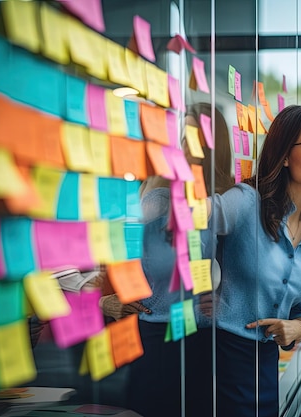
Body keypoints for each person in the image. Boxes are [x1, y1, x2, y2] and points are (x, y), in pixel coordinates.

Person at [198, 105, 301, 416]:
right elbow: (189, 221)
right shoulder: (246, 202)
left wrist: (297, 329)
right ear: (285, 155)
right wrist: (193, 294)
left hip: (265, 362)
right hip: (216, 356)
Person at [99, 102, 235, 417]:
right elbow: (112, 242)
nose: (183, 144)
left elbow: (238, 268)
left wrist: (222, 297)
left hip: (207, 337)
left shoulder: (229, 199)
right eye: (181, 134)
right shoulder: (159, 194)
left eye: (192, 134)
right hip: (155, 333)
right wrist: (110, 298)